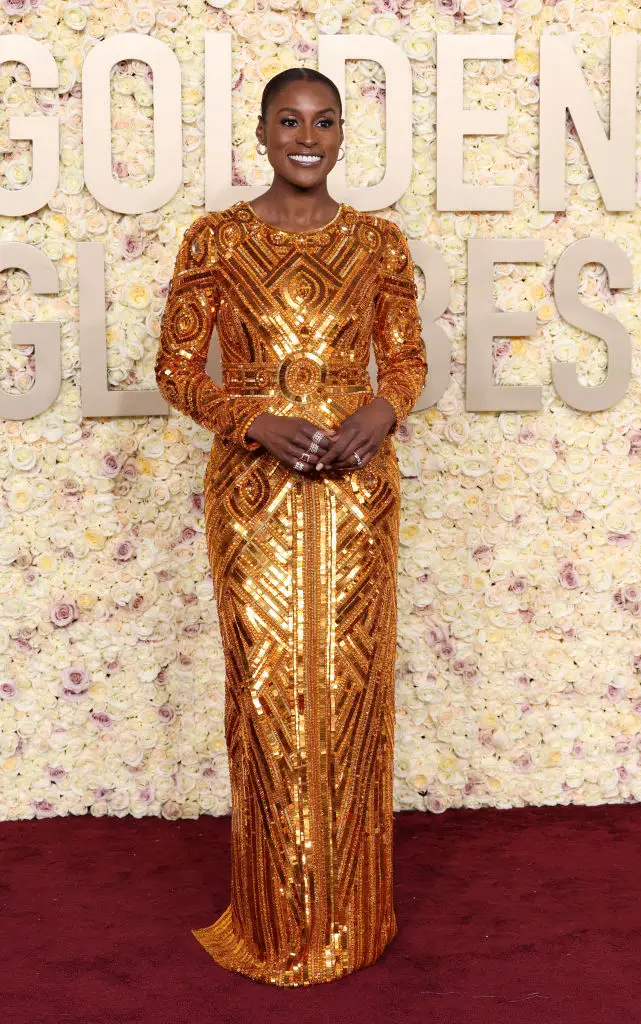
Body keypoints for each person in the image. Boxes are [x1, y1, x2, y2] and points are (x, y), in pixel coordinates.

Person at [154, 66, 428, 987]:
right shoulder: (216, 240)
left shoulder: (379, 243)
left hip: (358, 493)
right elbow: (175, 367)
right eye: (288, 120)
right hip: (253, 497)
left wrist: (381, 414)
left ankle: (353, 911)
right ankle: (274, 918)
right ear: (263, 132)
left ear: (342, 135)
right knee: (268, 694)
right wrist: (251, 419)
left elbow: (407, 361)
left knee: (351, 697)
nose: (306, 136)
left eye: (324, 121)